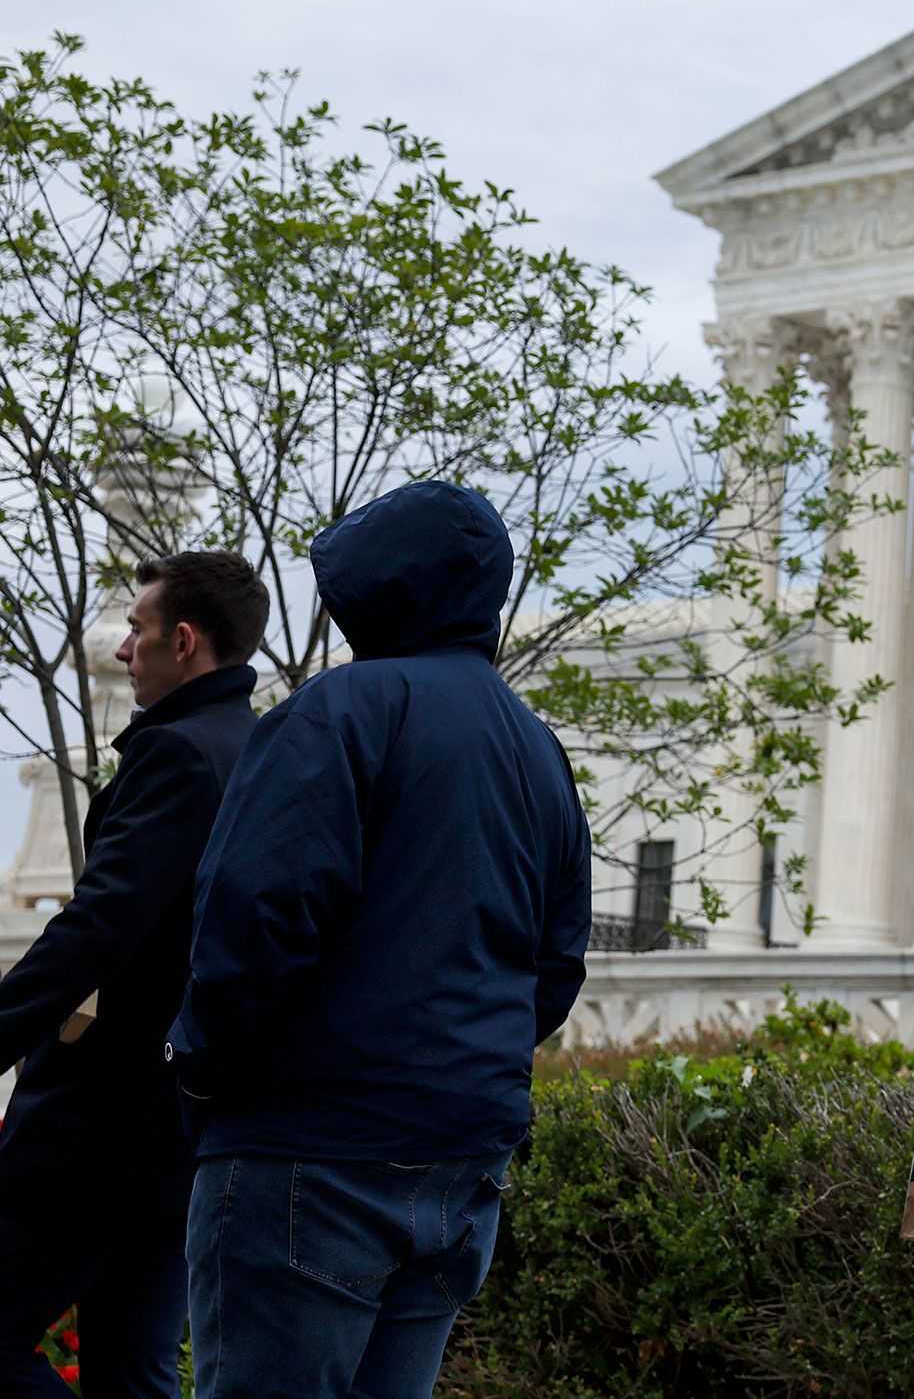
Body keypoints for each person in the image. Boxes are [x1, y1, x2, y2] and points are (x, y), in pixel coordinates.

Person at [167, 482, 591, 1399]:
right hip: (460, 1156)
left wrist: (200, 1068)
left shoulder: (339, 710)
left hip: (309, 1150)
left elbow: (255, 912)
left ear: (375, 586)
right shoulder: (535, 746)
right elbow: (556, 962)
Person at [0, 552, 265, 1398]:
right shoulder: (257, 748)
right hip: (183, 1119)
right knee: (133, 1365)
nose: (122, 649)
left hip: (101, 1118)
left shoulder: (181, 755)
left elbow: (99, 927)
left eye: (138, 630)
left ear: (183, 641)